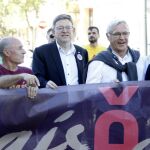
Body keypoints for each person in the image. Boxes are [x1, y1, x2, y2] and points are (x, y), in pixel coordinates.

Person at [32, 14, 88, 88]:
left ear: (73, 30)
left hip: (79, 98)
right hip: (54, 98)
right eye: (60, 28)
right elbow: (37, 77)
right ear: (53, 31)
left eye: (68, 27)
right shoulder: (41, 52)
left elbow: (86, 78)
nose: (64, 31)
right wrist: (45, 83)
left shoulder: (82, 52)